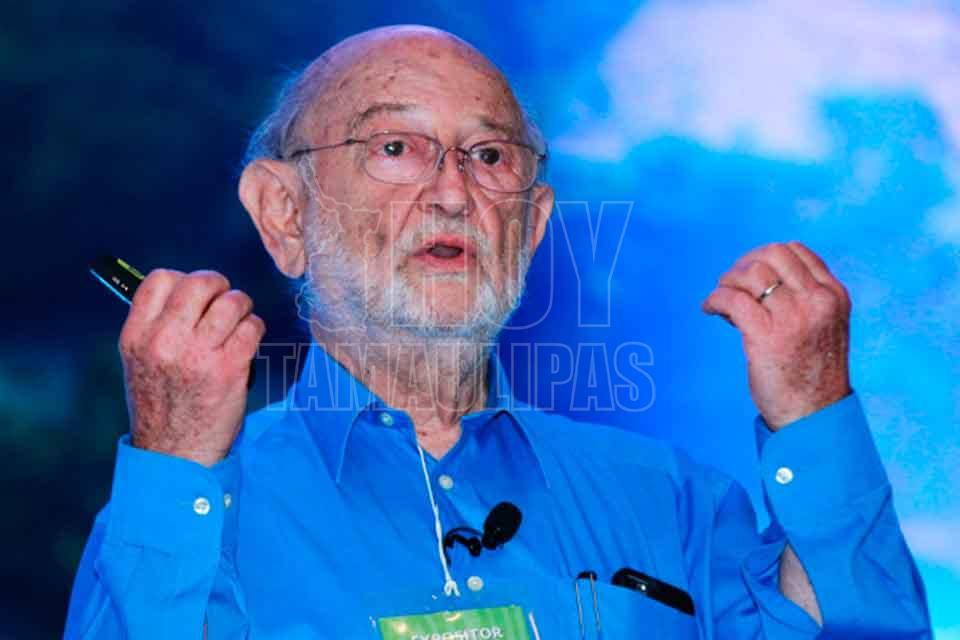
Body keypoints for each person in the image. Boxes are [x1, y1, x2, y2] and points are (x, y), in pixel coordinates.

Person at [64, 25, 931, 639]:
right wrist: (175, 457)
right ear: (284, 214)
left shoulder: (673, 500)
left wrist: (814, 412)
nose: (453, 192)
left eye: (489, 157)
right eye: (394, 147)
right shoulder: (189, 515)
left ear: (533, 222)